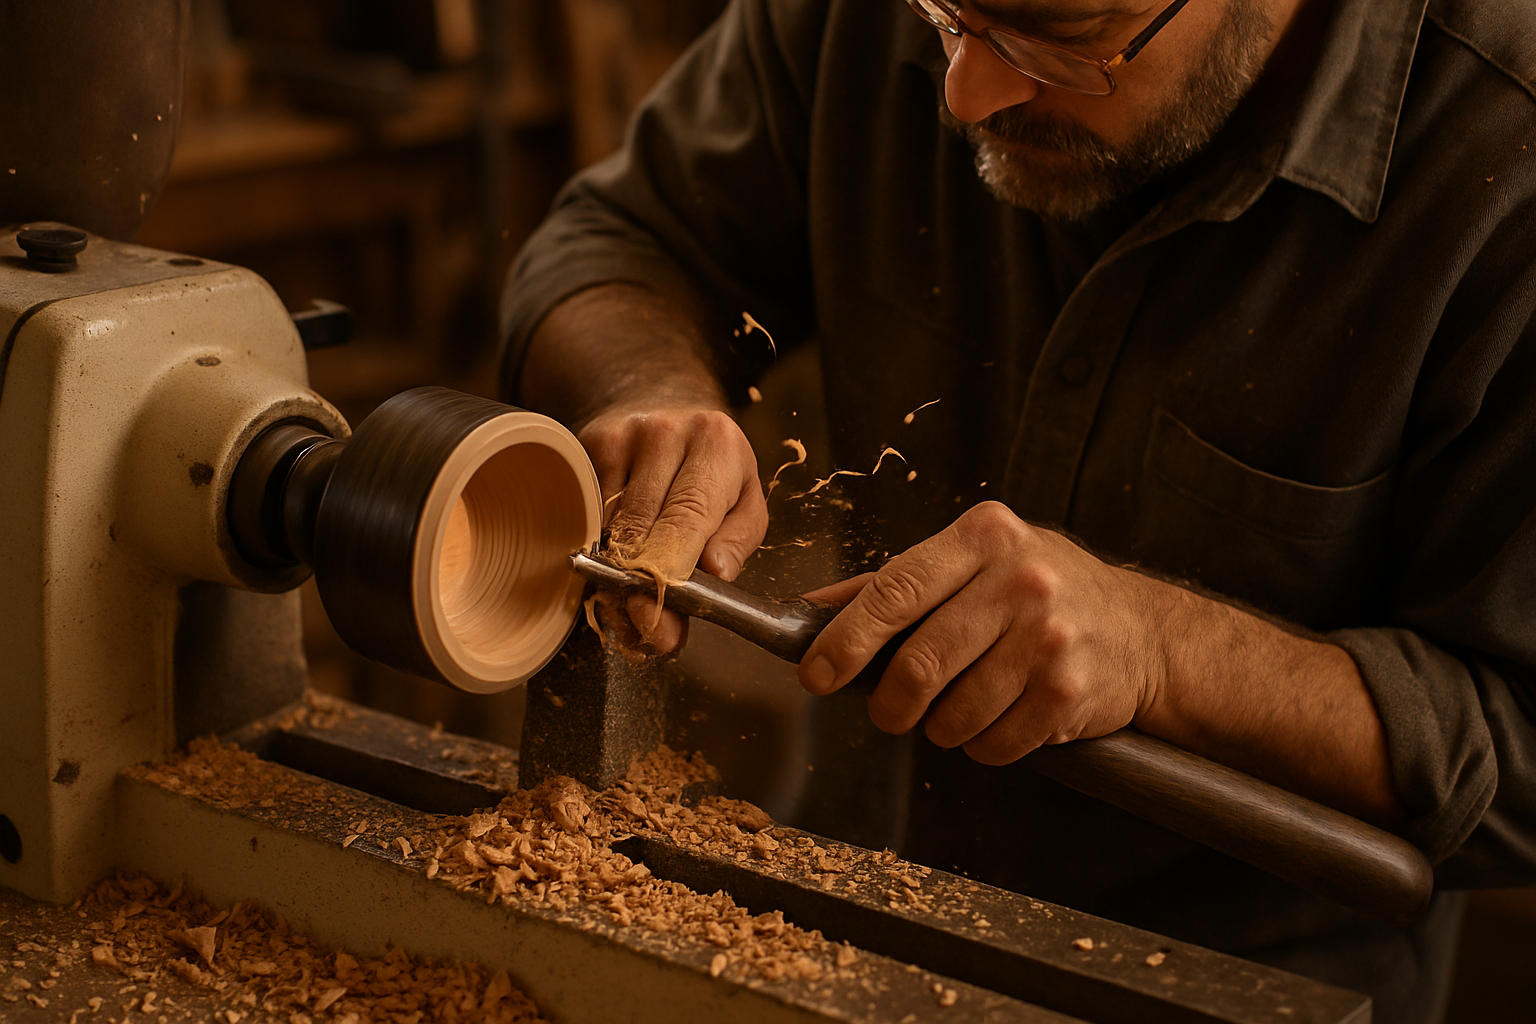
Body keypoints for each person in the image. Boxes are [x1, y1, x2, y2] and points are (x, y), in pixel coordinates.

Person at [499, 0, 1536, 1018]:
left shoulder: (1505, 159)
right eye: (947, 17)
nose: (964, 91)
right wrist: (644, 390)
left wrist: (1164, 650)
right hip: (836, 913)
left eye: (1062, 39)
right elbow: (620, 238)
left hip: (1221, 981)